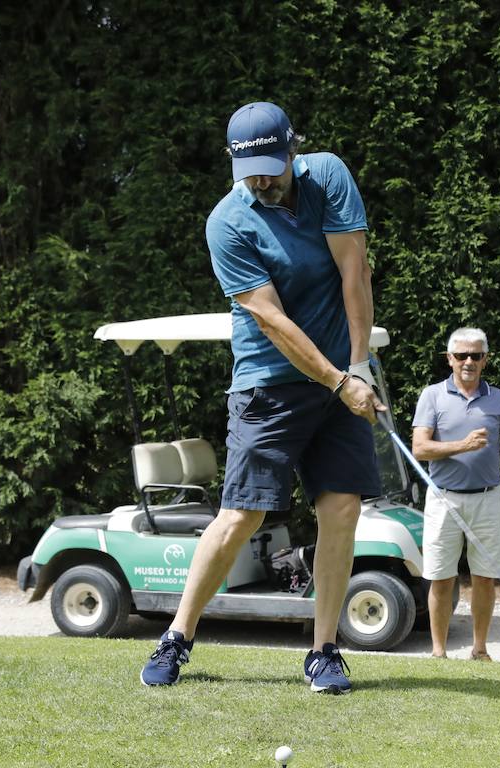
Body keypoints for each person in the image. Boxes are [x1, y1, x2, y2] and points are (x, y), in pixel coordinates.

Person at [140, 101, 385, 694]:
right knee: (242, 515)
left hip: (340, 379)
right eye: (251, 172)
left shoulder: (327, 177)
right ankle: (177, 635)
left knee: (342, 510)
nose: (262, 181)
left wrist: (358, 366)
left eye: (273, 168)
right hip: (267, 385)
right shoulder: (226, 223)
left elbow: (355, 273)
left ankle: (324, 650)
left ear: (293, 152)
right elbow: (270, 319)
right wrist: (338, 381)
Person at [412, 328, 500, 660]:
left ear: (485, 359)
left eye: (475, 355)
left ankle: (480, 650)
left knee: (485, 578)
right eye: (461, 355)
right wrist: (463, 445)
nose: (468, 361)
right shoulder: (432, 395)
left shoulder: (497, 398)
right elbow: (420, 448)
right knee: (441, 578)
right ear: (449, 359)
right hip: (443, 499)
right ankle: (438, 653)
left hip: (487, 498)